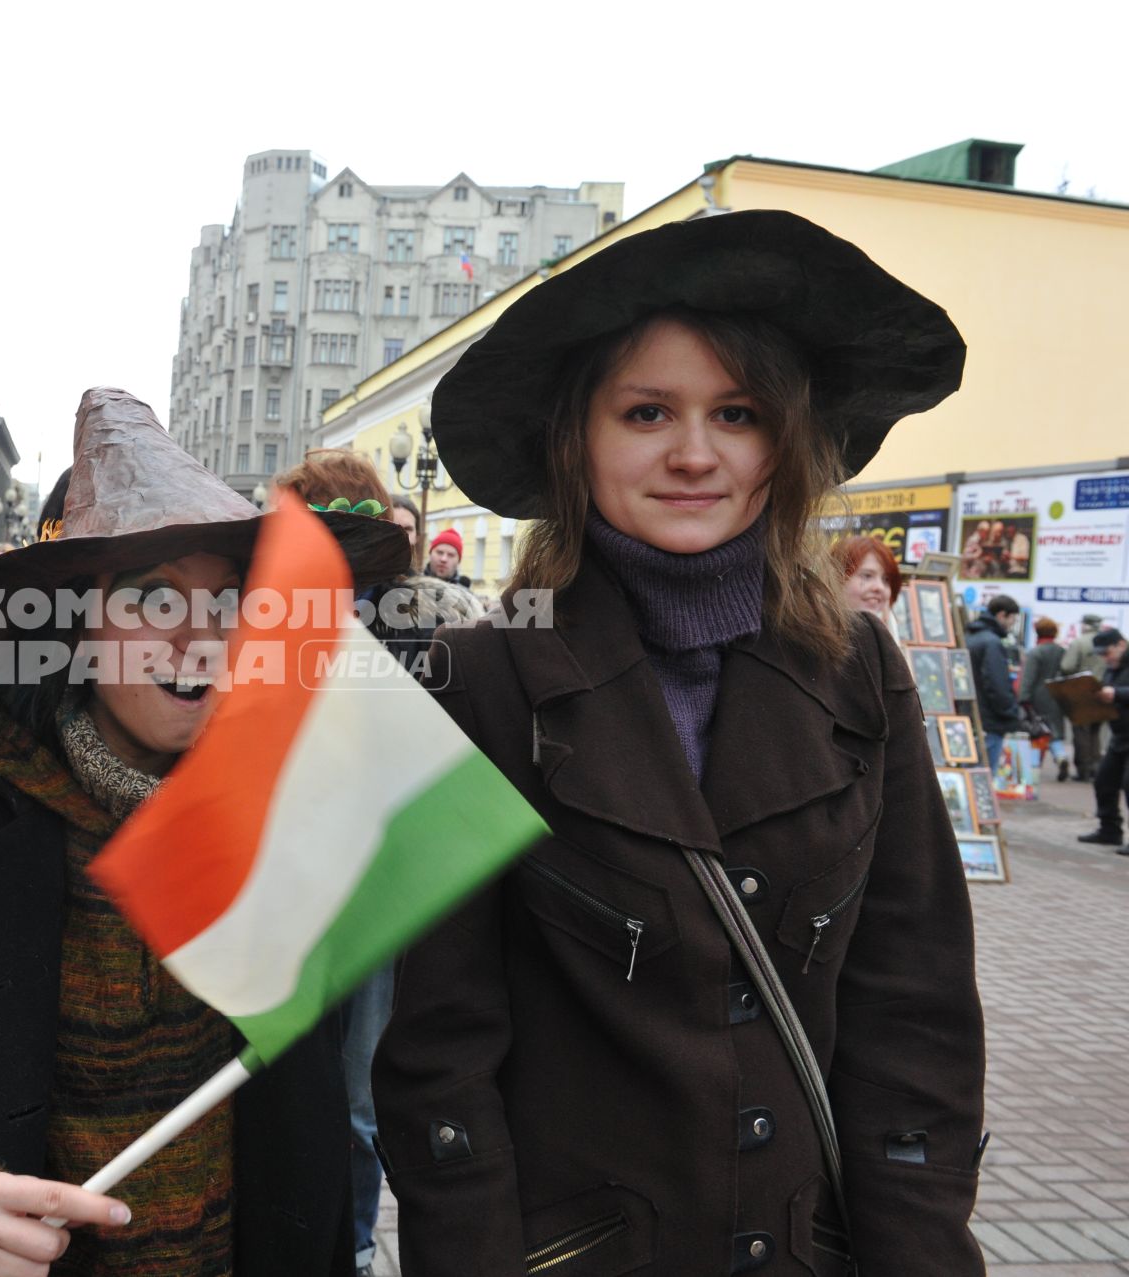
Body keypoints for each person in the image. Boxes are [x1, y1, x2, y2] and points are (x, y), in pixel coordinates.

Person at [374, 210, 986, 1274]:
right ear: (580, 440)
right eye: (648, 410)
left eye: (737, 413)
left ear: (783, 442)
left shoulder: (861, 671)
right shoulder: (479, 679)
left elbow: (913, 1006)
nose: (695, 453)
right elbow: (441, 1055)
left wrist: (919, 1248)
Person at [0, 388, 406, 1277]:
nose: (200, 636)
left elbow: (339, 1125)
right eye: (154, 601)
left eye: (231, 602)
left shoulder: (291, 820)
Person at [268, 447, 475, 1277]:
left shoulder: (437, 612)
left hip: (380, 879)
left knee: (356, 1096)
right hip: (290, 876)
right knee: (288, 1085)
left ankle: (351, 1245)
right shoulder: (267, 612)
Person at [1076, 627, 1129, 849]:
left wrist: (1116, 694)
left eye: (1107, 653)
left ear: (1121, 645)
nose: (1105, 658)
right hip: (1120, 736)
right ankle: (1110, 830)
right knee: (1104, 781)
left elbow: (1118, 692)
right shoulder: (1113, 668)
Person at [967, 593, 1026, 766]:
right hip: (990, 720)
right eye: (1012, 619)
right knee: (985, 775)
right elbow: (997, 684)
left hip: (973, 716)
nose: (1012, 623)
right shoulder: (992, 643)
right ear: (1002, 615)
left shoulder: (971, 636)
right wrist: (1011, 712)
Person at [1018, 616, 1069, 781]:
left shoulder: (1035, 652)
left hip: (1037, 698)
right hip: (1056, 695)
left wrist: (1023, 698)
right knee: (1054, 732)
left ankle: (1033, 769)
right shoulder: (1062, 651)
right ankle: (1061, 756)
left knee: (1037, 732)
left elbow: (1028, 678)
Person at [1062, 613, 1109, 780]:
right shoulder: (1108, 642)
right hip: (1104, 691)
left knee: (1081, 731)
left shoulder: (1079, 642)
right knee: (1096, 731)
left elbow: (1067, 666)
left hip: (1082, 691)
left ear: (1085, 625)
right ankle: (1097, 767)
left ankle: (1084, 770)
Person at [834, 534, 902, 638]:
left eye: (886, 579)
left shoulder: (893, 636)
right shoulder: (813, 641)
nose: (880, 587)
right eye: (867, 576)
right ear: (836, 578)